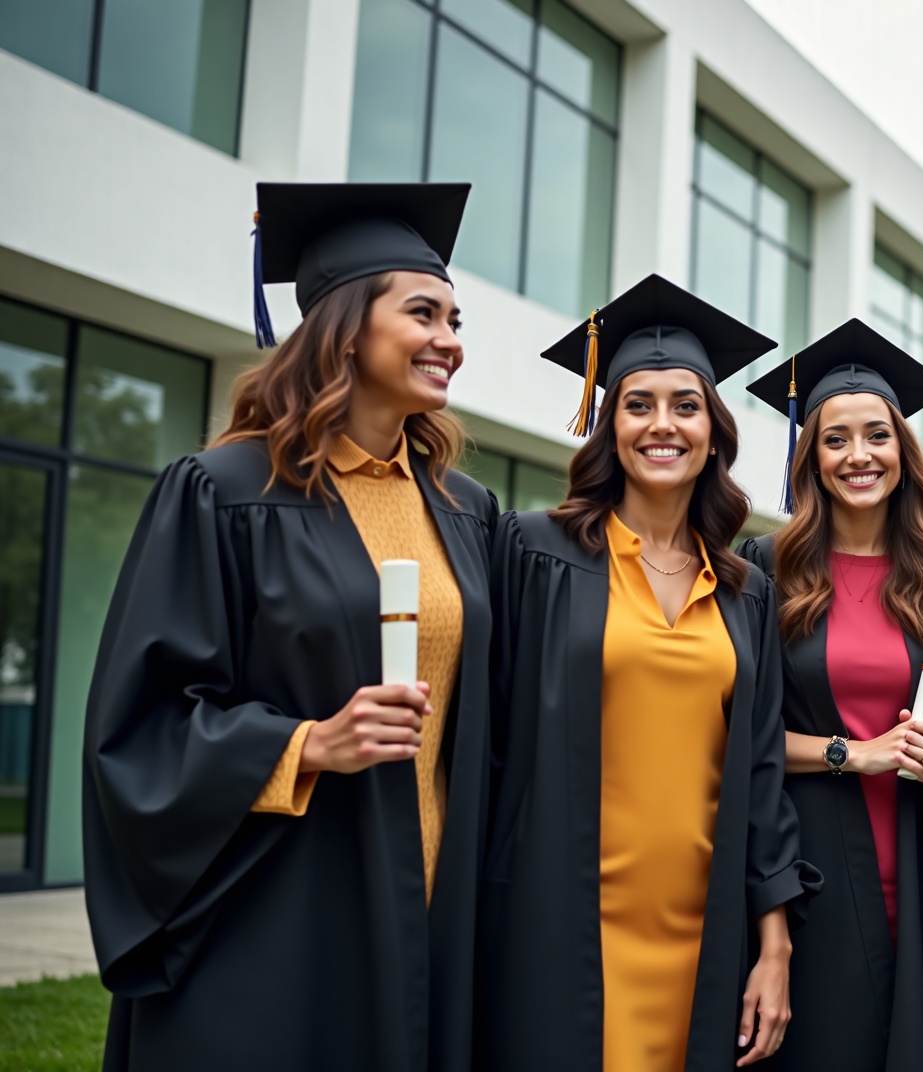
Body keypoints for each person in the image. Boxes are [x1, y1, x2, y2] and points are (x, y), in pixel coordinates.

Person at [83, 182, 495, 1070]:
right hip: (283, 905)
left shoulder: (466, 510)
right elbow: (142, 726)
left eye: (456, 320)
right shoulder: (225, 491)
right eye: (423, 313)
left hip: (431, 901)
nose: (450, 341)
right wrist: (308, 744)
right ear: (344, 328)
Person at [478, 275, 820, 1072]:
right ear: (610, 427)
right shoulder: (534, 553)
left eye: (685, 406)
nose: (662, 424)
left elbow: (762, 778)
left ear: (713, 432)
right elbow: (486, 740)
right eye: (638, 405)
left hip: (702, 931)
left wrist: (773, 948)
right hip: (557, 920)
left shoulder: (743, 591)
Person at [737, 319, 923, 1070]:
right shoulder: (765, 571)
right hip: (806, 869)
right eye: (836, 439)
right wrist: (856, 753)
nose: (859, 456)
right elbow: (739, 735)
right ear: (810, 458)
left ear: (903, 451)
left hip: (916, 871)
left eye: (877, 435)